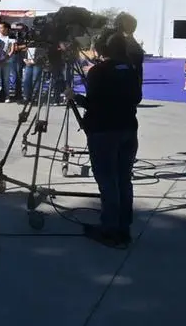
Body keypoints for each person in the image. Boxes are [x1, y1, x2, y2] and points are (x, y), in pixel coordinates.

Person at [68, 33, 142, 247]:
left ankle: (109, 230)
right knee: (123, 180)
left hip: (104, 132)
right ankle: (123, 228)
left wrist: (75, 97)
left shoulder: (98, 71)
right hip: (128, 128)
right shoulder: (130, 69)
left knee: (108, 181)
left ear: (102, 49)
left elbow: (94, 103)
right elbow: (136, 98)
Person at [0, 22, 15, 102]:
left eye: (2, 27)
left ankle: (7, 96)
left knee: (6, 79)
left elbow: (12, 49)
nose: (0, 29)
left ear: (6, 28)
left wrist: (6, 57)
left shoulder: (10, 37)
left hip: (7, 61)